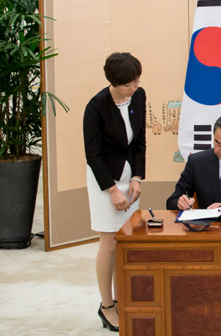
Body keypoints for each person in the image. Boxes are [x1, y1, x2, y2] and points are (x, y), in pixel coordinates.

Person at [83, 52, 145, 332]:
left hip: (128, 178)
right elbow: (93, 155)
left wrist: (138, 178)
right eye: (128, 84)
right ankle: (107, 306)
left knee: (127, 242)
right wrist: (111, 189)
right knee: (109, 243)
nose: (134, 87)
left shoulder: (139, 96)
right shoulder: (96, 107)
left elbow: (139, 141)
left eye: (136, 81)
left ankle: (124, 300)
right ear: (113, 82)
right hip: (104, 181)